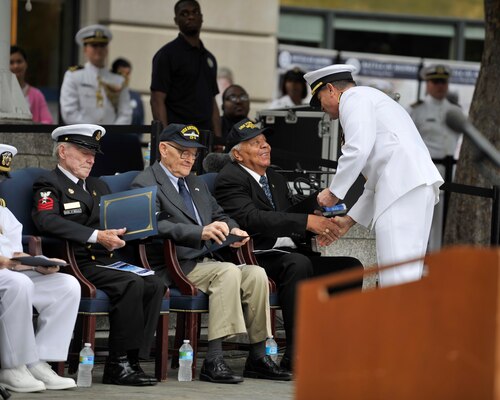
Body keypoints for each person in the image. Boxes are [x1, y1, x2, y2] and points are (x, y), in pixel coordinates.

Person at [131, 123, 292, 383]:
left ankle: (258, 356)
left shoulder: (194, 182)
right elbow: (154, 224)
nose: (189, 159)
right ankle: (214, 359)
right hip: (173, 263)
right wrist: (199, 232)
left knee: (256, 274)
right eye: (183, 152)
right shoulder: (145, 181)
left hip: (205, 260)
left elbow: (220, 214)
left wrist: (234, 229)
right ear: (163, 149)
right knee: (227, 272)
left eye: (193, 154)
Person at [214, 118, 363, 371]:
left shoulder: (274, 177)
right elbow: (252, 218)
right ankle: (296, 353)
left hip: (288, 253)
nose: (265, 146)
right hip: (255, 256)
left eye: (265, 141)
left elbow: (289, 211)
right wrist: (306, 222)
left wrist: (318, 212)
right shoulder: (230, 178)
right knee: (297, 264)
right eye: (255, 143)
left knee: (350, 267)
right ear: (238, 155)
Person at [32, 124, 164, 386]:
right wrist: (96, 236)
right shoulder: (49, 183)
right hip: (75, 261)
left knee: (154, 283)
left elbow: (111, 221)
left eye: (93, 154)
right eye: (84, 153)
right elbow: (46, 221)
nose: (91, 159)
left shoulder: (98, 185)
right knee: (131, 283)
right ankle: (117, 364)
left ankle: (133, 359)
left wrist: (123, 231)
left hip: (106, 259)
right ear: (63, 152)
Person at [304, 64, 443, 287]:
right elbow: (375, 182)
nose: (322, 109)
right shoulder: (369, 99)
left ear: (331, 89)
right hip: (410, 186)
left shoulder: (353, 98)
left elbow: (357, 150)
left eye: (319, 99)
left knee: (395, 274)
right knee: (406, 274)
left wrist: (333, 193)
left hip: (402, 189)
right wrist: (348, 221)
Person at [0, 144, 79, 393]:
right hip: (6, 275)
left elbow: (14, 251)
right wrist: (8, 263)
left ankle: (37, 362)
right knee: (18, 283)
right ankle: (12, 367)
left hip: (7, 272)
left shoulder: (2, 210)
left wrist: (39, 263)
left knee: (66, 285)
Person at [409, 64, 463, 251]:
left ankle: (437, 260)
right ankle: (419, 259)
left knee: (443, 222)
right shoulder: (416, 110)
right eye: (436, 81)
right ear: (428, 84)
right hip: (425, 172)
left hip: (450, 173)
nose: (440, 86)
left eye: (443, 82)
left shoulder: (455, 111)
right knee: (421, 221)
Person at [150, 0, 221, 138]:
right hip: (178, 136)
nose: (191, 16)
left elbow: (212, 102)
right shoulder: (166, 55)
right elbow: (157, 100)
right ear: (176, 20)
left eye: (195, 12)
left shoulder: (209, 58)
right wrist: (165, 138)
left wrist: (218, 139)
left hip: (205, 137)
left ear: (201, 17)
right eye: (184, 13)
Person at [59, 25, 132, 125]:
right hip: (82, 133)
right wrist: (92, 131)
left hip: (112, 133)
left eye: (102, 45)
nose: (99, 49)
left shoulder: (118, 79)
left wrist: (113, 131)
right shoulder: (73, 76)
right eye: (94, 45)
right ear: (85, 49)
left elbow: (125, 113)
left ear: (107, 49)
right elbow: (69, 112)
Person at [9, 46, 53, 124]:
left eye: (19, 61)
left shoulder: (37, 95)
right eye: (11, 62)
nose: (16, 66)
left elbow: (48, 121)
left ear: (26, 64)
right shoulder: (2, 93)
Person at [111, 58, 145, 126]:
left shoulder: (135, 97)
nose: (125, 77)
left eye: (127, 74)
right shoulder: (105, 96)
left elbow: (141, 122)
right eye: (120, 73)